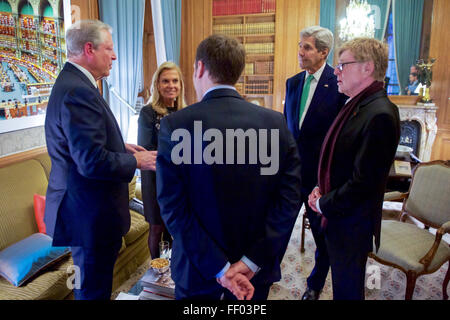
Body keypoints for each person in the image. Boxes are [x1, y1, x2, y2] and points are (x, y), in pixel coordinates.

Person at [156, 34, 302, 300]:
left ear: (199, 68)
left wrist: (219, 268)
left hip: (197, 269)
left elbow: (173, 206)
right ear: (238, 71)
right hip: (255, 272)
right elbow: (289, 201)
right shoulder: (275, 124)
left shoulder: (176, 126)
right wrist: (251, 261)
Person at [44, 20, 157, 300]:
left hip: (86, 211)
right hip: (89, 215)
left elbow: (83, 147)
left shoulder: (77, 82)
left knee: (92, 286)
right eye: (110, 48)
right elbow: (91, 161)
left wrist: (119, 146)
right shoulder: (78, 90)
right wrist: (138, 162)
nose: (115, 56)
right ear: (89, 49)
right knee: (92, 290)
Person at [308, 37, 400, 300]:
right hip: (339, 215)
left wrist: (323, 202)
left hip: (352, 223)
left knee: (348, 291)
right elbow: (339, 160)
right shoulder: (357, 104)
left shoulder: (380, 113)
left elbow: (363, 183)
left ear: (367, 67)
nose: (336, 71)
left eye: (342, 65)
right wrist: (320, 187)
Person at [284, 26, 347, 300]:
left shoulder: (339, 84)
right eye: (300, 45)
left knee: (322, 239)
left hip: (319, 180)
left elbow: (340, 138)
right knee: (277, 228)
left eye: (307, 47)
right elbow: (288, 131)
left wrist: (328, 181)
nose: (300, 51)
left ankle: (315, 284)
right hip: (289, 176)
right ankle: (268, 272)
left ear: (324, 52)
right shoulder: (293, 82)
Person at [138, 61, 187, 259]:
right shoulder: (147, 112)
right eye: (165, 81)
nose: (171, 85)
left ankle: (174, 270)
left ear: (181, 85)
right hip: (155, 181)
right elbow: (146, 149)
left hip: (179, 182)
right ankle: (155, 270)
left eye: (175, 81)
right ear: (157, 85)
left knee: (176, 227)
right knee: (157, 228)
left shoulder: (185, 113)